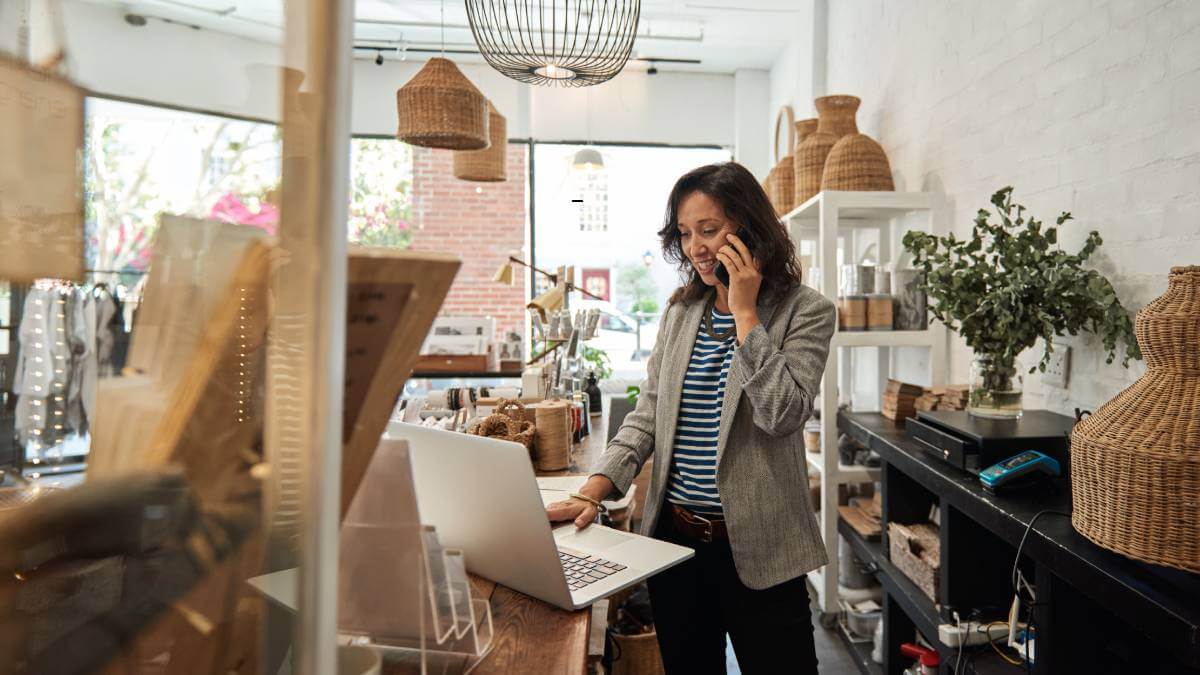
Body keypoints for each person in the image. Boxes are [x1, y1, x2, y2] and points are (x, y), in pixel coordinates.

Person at [546, 161, 835, 674]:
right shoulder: (682, 314)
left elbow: (783, 415)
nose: (695, 247)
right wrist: (593, 487)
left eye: (709, 229)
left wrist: (745, 314)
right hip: (676, 549)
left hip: (763, 550)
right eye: (685, 233)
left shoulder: (805, 311)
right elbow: (648, 413)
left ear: (749, 228)